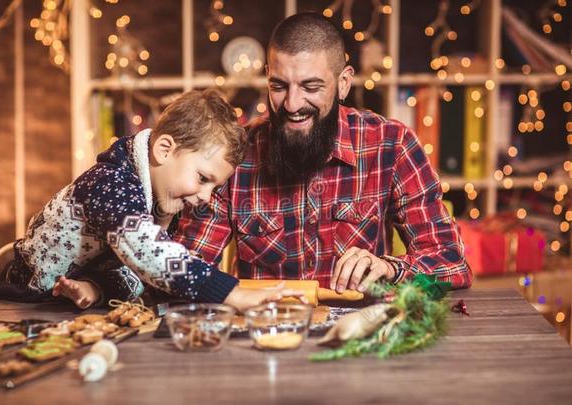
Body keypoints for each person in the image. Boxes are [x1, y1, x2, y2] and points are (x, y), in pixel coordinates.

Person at [173, 13, 472, 292]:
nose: (292, 104)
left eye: (310, 87)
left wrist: (390, 268)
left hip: (359, 336)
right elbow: (183, 269)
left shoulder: (391, 143)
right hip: (268, 335)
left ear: (343, 83)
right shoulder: (236, 153)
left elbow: (451, 263)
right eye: (279, 85)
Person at [0, 89, 305, 310]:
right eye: (202, 178)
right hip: (20, 301)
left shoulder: (162, 201)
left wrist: (97, 290)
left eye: (215, 188)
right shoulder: (110, 182)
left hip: (59, 310)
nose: (205, 198)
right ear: (164, 149)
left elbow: (141, 273)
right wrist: (230, 293)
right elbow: (146, 251)